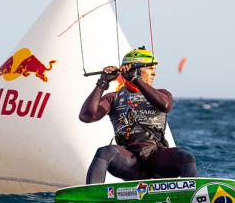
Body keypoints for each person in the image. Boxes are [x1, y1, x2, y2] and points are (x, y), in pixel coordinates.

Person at [79, 46, 198, 184]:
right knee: (105, 152)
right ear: (136, 69)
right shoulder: (113, 97)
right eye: (150, 68)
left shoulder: (162, 93)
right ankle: (92, 197)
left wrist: (136, 79)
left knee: (186, 157)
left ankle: (193, 193)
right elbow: (87, 116)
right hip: (129, 162)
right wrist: (102, 83)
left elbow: (165, 106)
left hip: (157, 158)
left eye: (154, 69)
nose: (154, 73)